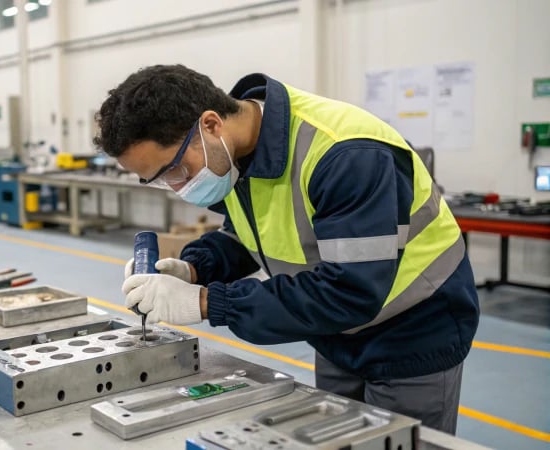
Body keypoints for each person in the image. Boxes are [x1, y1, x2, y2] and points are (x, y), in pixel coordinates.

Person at [94, 65, 479, 434]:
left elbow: (351, 290)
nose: (178, 187)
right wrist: (192, 269)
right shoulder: (233, 155)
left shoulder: (345, 155)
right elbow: (250, 235)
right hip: (333, 331)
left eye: (175, 171)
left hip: (413, 330)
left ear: (210, 125)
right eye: (159, 181)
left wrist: (207, 303)